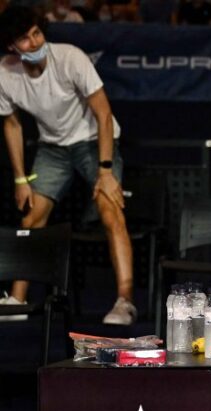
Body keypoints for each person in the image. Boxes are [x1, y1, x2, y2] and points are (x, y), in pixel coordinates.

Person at [0, 7, 135, 325]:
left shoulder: (71, 58)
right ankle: (17, 300)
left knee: (110, 206)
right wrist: (21, 179)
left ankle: (125, 301)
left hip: (93, 141)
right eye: (24, 38)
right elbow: (12, 126)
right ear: (11, 47)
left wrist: (105, 172)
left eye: (37, 33)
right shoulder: (5, 73)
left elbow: (103, 114)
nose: (34, 43)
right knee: (32, 215)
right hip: (53, 148)